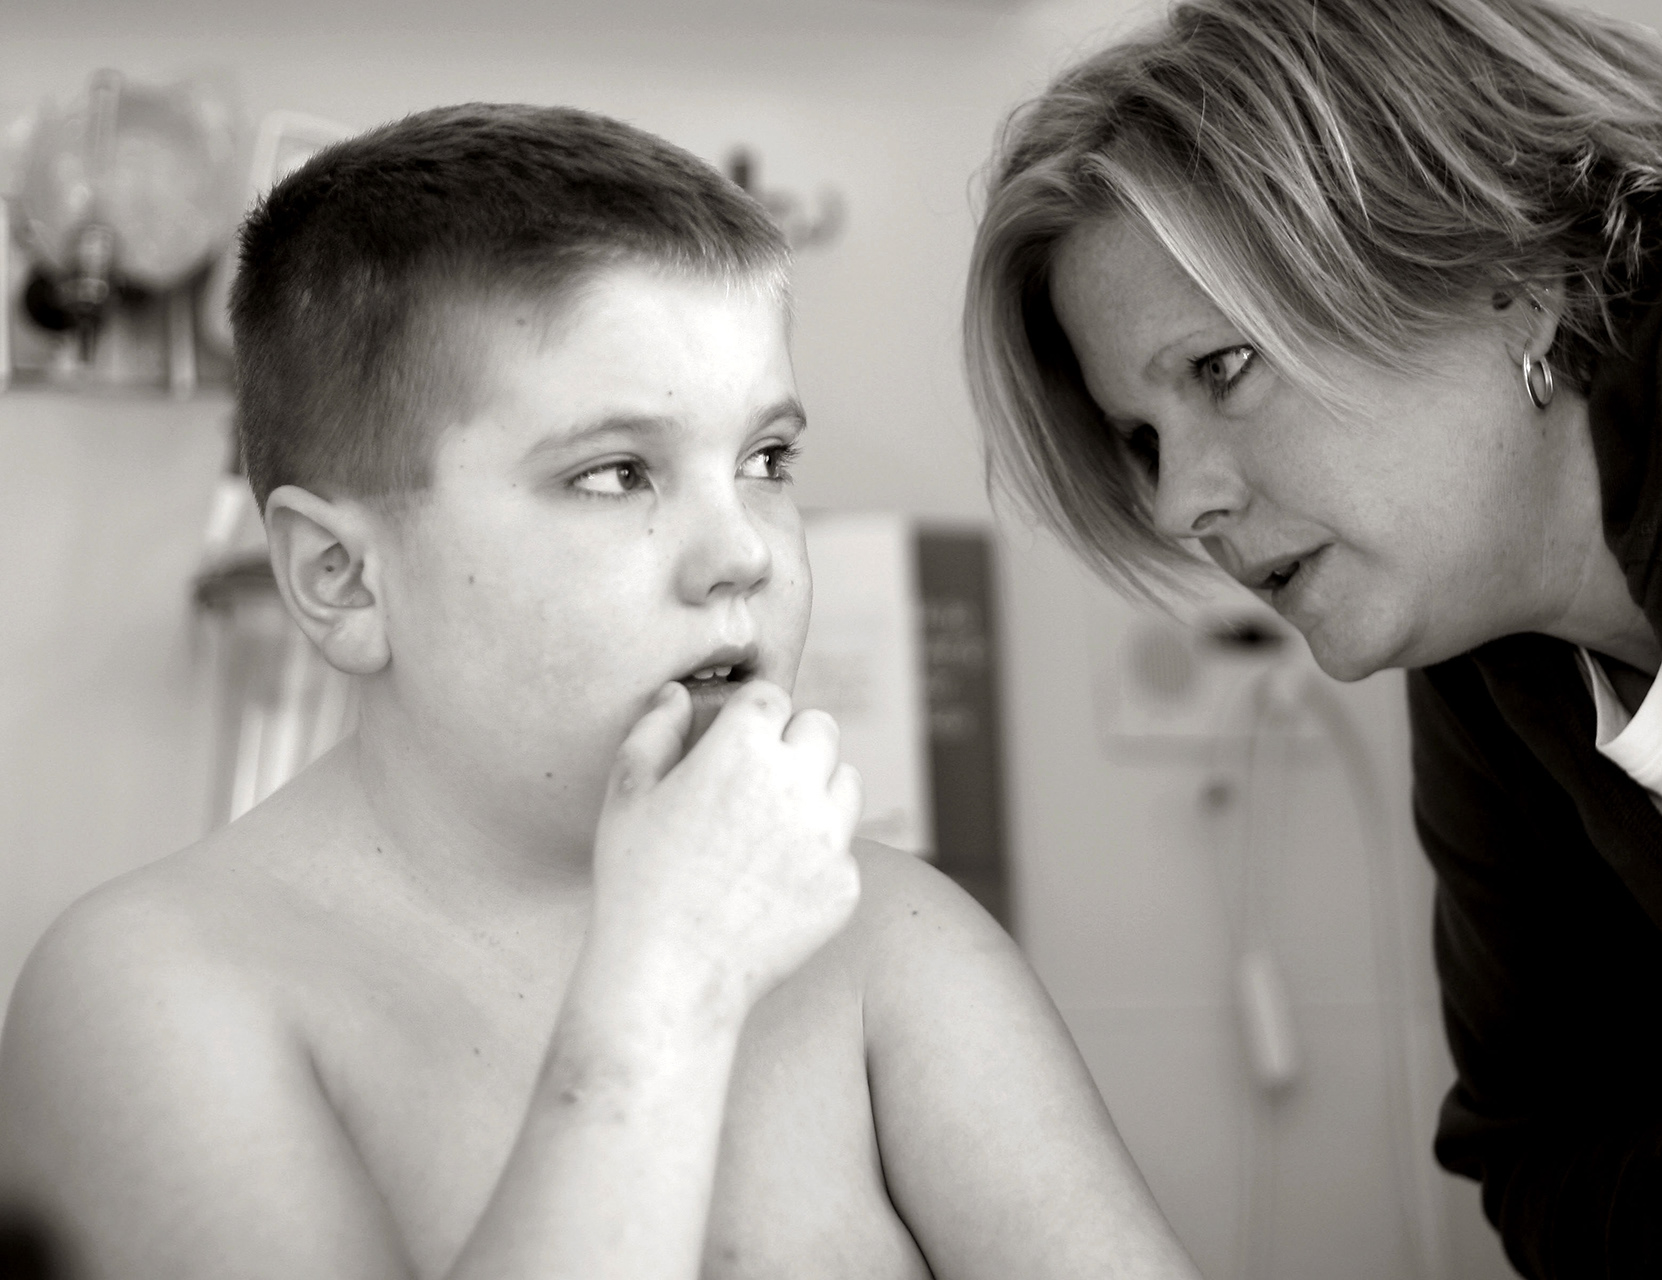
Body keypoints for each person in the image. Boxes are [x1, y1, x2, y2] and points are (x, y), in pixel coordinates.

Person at [0, 104, 1201, 1280]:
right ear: (342, 578)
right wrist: (664, 986)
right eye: (617, 473)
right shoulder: (151, 988)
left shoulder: (894, 941)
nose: (745, 550)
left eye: (766, 460)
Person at [963, 1, 1662, 1277]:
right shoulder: (1491, 633)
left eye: (1221, 367)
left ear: (1507, 276)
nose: (1179, 500)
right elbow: (1546, 1156)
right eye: (1141, 435)